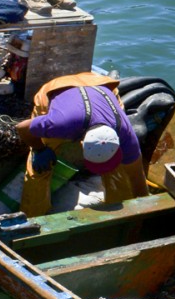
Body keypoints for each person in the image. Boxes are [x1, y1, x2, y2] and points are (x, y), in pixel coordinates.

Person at [14, 73, 149, 217]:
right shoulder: (60, 124)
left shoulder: (126, 136)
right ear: (82, 144)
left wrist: (144, 208)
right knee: (38, 171)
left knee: (122, 176)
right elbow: (22, 128)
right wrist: (39, 149)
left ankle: (123, 215)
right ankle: (33, 217)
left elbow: (137, 179)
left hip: (98, 83)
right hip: (59, 87)